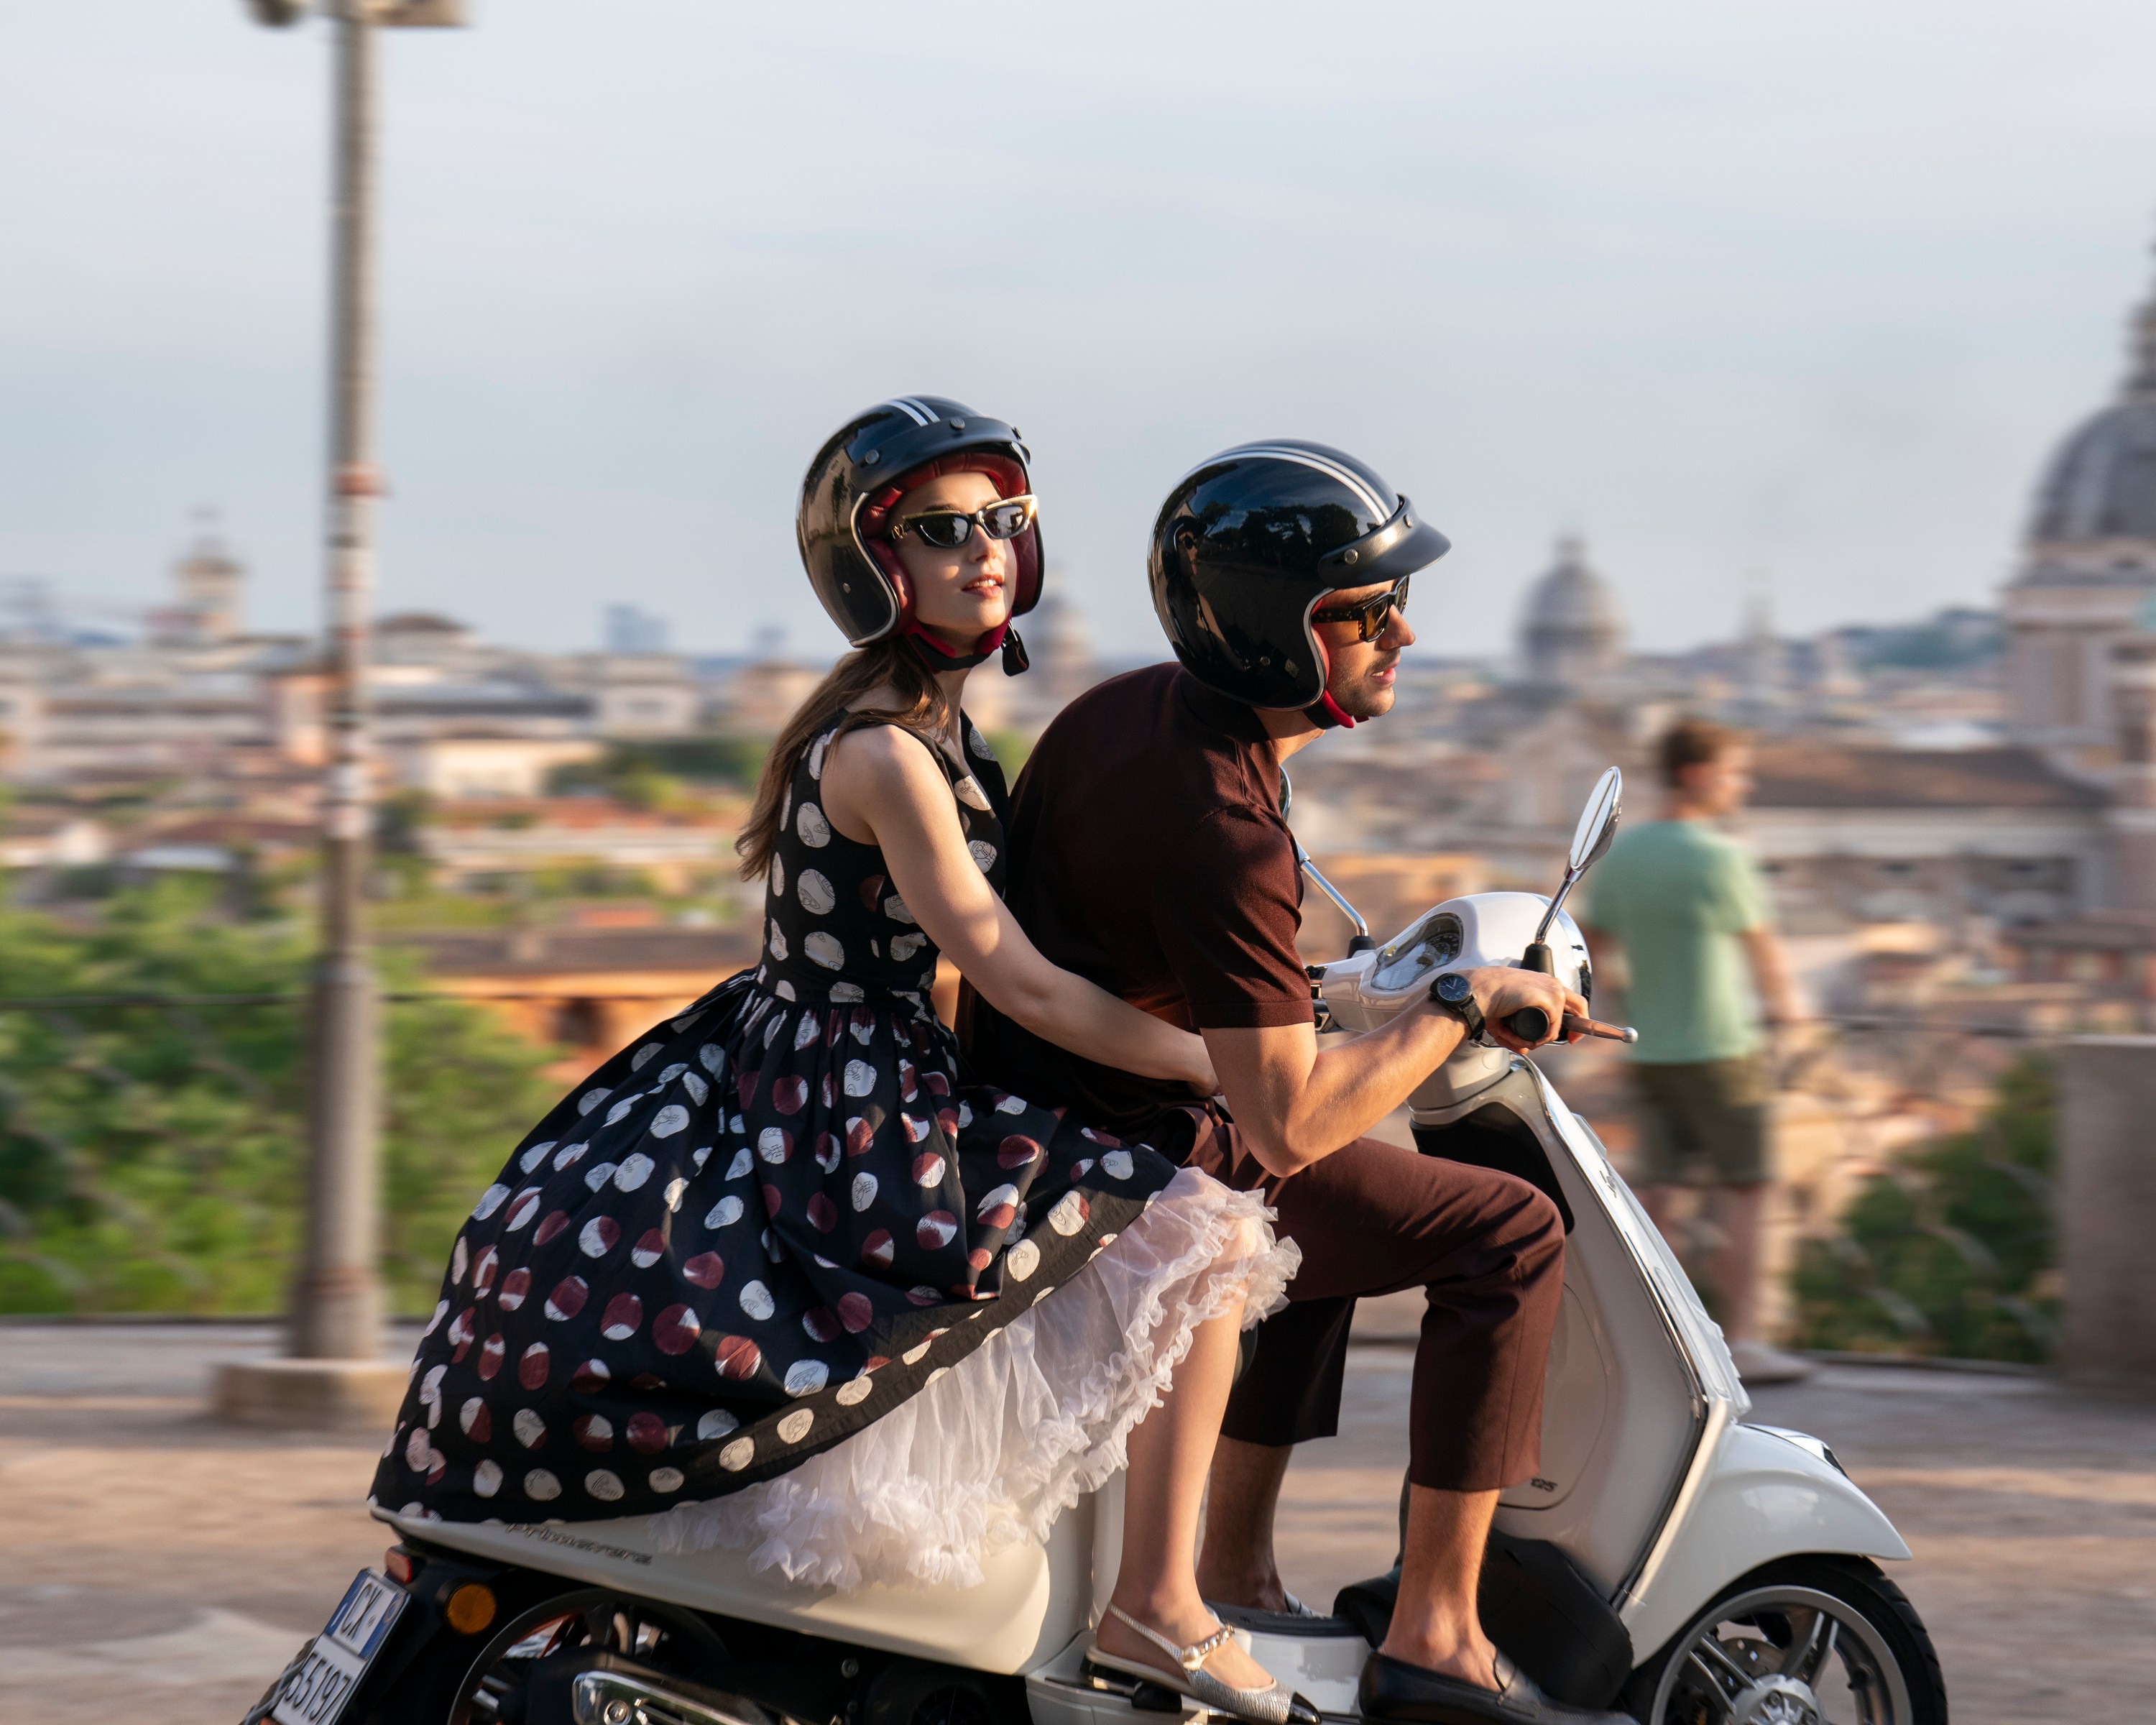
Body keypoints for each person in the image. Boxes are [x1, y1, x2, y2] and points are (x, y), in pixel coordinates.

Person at [372, 398, 1314, 1725]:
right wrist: (1220, 1065)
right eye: (943, 531)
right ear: (878, 567)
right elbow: (1017, 976)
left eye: (1005, 524)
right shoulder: (887, 752)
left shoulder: (914, 725)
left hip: (823, 1063)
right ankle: (1159, 1606)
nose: (985, 551)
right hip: (854, 1092)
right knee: (1201, 1235)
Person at [966, 442, 1630, 1725]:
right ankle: (1439, 1631)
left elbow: (1167, 967)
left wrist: (1335, 994)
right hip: (1123, 1158)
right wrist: (1455, 1003)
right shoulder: (1226, 819)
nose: (1407, 634)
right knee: (1505, 1232)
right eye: (1370, 613)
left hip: (1044, 1118)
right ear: (1286, 633)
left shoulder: (1128, 713)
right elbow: (1284, 1115)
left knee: (1346, 1208)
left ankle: (1235, 1561)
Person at [1577, 716, 1807, 1386]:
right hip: (1723, 1047)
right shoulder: (1722, 859)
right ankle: (1745, 1340)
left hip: (1650, 1050)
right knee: (1748, 1191)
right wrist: (1791, 1018)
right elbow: (1766, 959)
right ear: (1699, 774)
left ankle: (1658, 1340)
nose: (1745, 785)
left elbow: (1591, 950)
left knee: (1659, 1195)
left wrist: (1620, 1007)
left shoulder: (1622, 859)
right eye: (1737, 773)